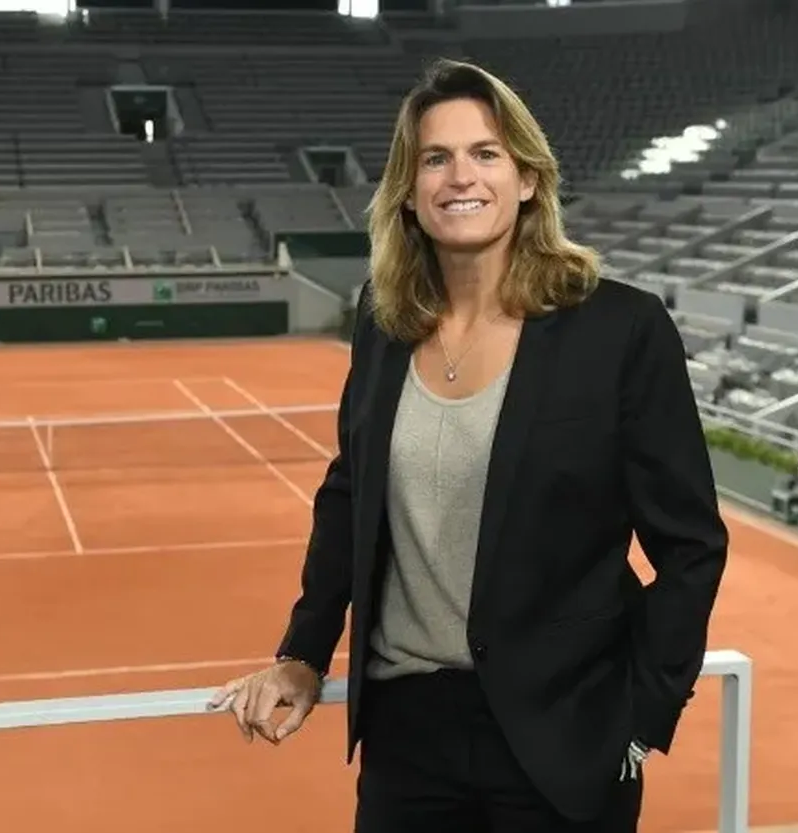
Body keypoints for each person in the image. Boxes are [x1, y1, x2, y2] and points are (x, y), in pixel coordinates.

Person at [207, 58, 729, 832]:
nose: (461, 176)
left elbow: (691, 545)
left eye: (487, 153)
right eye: (436, 157)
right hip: (407, 738)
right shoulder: (383, 323)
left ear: (526, 179)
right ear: (410, 191)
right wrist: (305, 651)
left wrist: (641, 719)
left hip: (562, 736)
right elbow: (350, 489)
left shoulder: (620, 329)